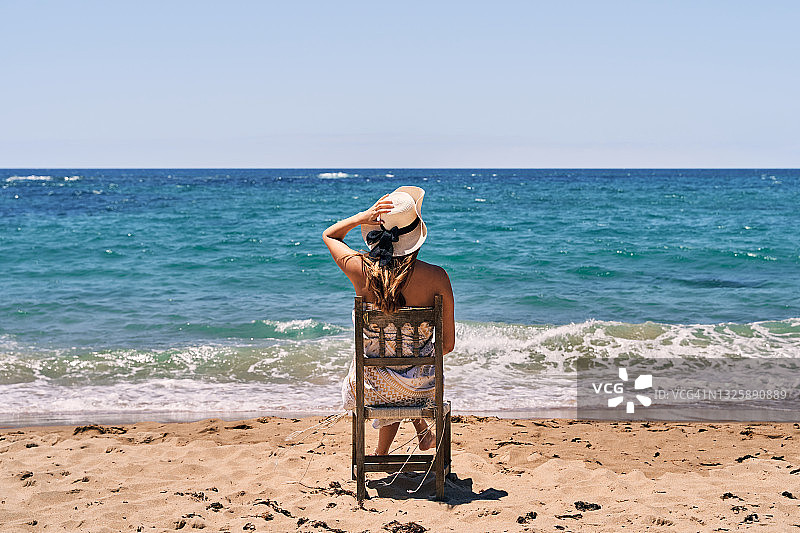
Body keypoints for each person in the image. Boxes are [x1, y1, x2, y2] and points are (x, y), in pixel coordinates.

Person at [322, 186, 455, 455]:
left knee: (386, 370)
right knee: (405, 370)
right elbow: (447, 346)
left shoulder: (361, 269)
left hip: (369, 388)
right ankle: (419, 430)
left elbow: (330, 235)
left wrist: (362, 216)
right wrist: (410, 360)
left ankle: (382, 455)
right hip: (421, 390)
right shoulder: (437, 277)